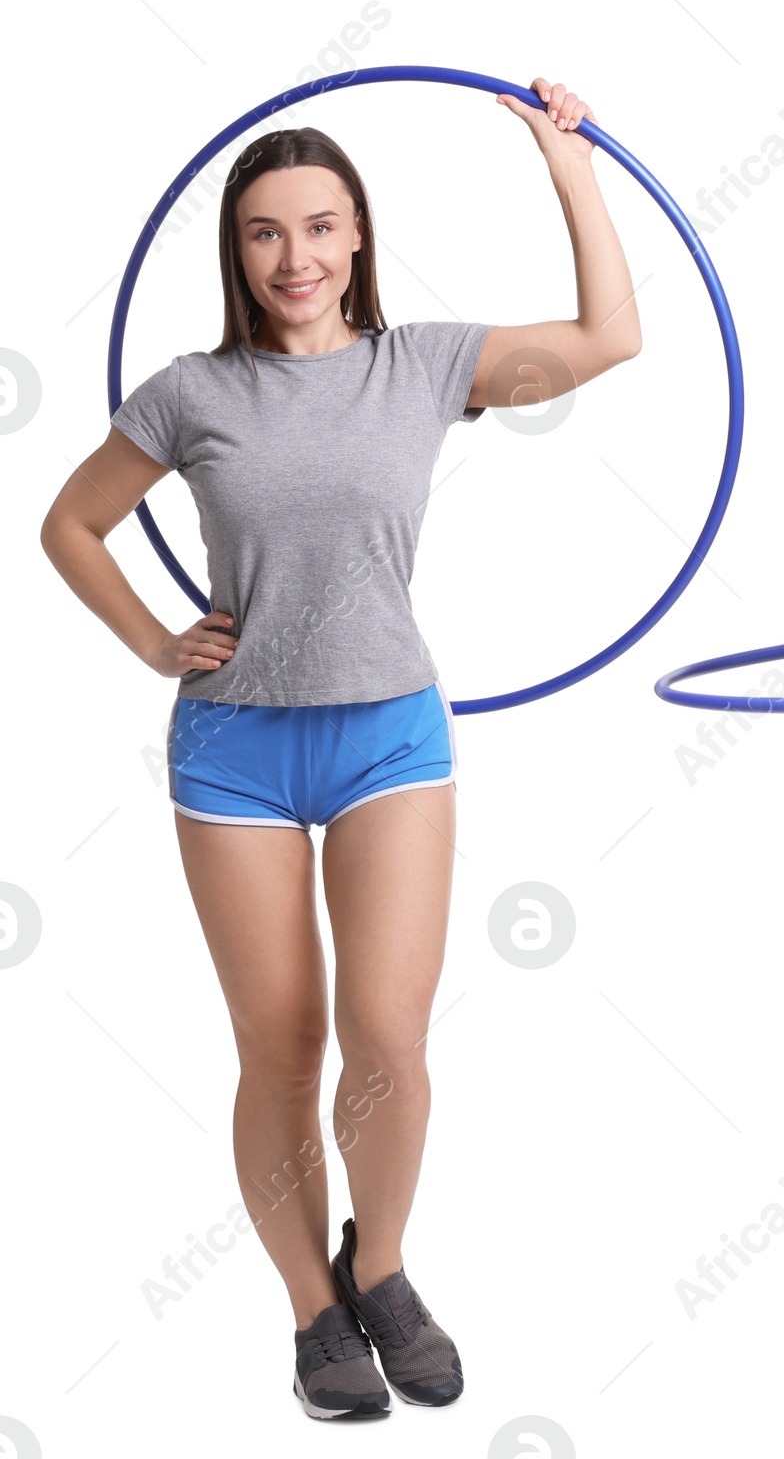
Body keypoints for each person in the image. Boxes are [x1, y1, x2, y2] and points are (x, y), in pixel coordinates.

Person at [39, 77, 642, 1418]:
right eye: (266, 233)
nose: (297, 258)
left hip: (387, 736)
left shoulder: (423, 366)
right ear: (236, 254)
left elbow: (614, 337)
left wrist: (570, 163)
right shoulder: (190, 391)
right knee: (282, 1045)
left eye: (321, 227)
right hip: (237, 754)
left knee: (390, 1037)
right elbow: (68, 525)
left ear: (359, 236)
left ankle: (383, 1267)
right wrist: (154, 643)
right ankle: (314, 1313)